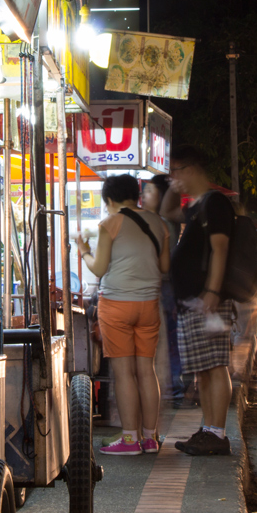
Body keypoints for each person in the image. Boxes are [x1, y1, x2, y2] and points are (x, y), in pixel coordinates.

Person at [76, 174, 170, 456]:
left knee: (123, 372)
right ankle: (151, 438)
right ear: (136, 195)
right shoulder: (158, 223)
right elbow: (164, 265)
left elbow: (99, 268)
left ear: (109, 200)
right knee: (146, 369)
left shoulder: (110, 223)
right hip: (149, 305)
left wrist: (83, 251)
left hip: (116, 304)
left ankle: (130, 440)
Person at [160, 145, 234, 456]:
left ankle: (217, 433)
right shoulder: (197, 205)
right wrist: (171, 186)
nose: (173, 177)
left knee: (215, 366)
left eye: (177, 171)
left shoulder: (215, 203)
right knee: (203, 368)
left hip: (209, 299)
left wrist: (212, 292)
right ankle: (209, 429)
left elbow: (220, 249)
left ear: (191, 170)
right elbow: (167, 212)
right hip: (195, 300)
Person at [142, 173, 187, 404]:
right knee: (169, 337)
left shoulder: (161, 221)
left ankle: (172, 388)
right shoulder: (163, 219)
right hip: (165, 285)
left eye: (149, 191)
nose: (144, 196)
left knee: (167, 338)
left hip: (163, 286)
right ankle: (173, 387)